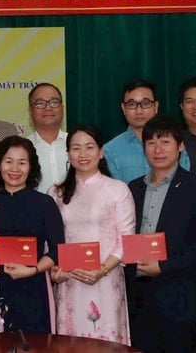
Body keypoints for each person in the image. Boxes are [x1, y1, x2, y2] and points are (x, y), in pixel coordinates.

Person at [125, 116, 196, 353]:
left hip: (179, 296)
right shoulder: (132, 188)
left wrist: (164, 265)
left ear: (180, 146)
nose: (158, 150)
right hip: (137, 296)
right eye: (151, 143)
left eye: (165, 142)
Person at [50, 124, 135, 344]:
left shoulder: (118, 189)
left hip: (106, 278)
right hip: (69, 282)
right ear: (68, 153)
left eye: (89, 147)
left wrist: (103, 269)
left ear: (101, 151)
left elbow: (126, 239)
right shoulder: (56, 192)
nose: (83, 154)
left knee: (106, 341)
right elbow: (51, 240)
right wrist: (54, 269)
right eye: (76, 148)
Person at [0, 135, 64, 334]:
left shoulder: (45, 204)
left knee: (36, 345)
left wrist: (33, 270)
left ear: (31, 167)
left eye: (22, 162)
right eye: (8, 161)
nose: (14, 169)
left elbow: (57, 249)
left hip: (33, 286)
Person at [104, 80, 188, 184]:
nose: (139, 111)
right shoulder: (111, 150)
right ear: (123, 108)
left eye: (145, 103)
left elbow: (185, 183)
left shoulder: (174, 143)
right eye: (131, 104)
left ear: (156, 106)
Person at [26, 83, 69, 194]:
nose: (48, 108)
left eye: (54, 102)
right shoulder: (23, 149)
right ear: (30, 111)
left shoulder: (76, 144)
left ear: (62, 108)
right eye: (39, 103)